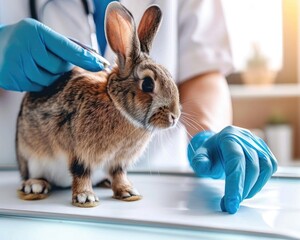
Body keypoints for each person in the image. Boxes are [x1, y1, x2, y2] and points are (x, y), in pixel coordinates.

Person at [0, 0, 277, 214]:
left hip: (160, 201)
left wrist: (206, 133)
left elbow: (203, 69)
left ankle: (116, 177)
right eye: (147, 86)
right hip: (27, 206)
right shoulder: (98, 109)